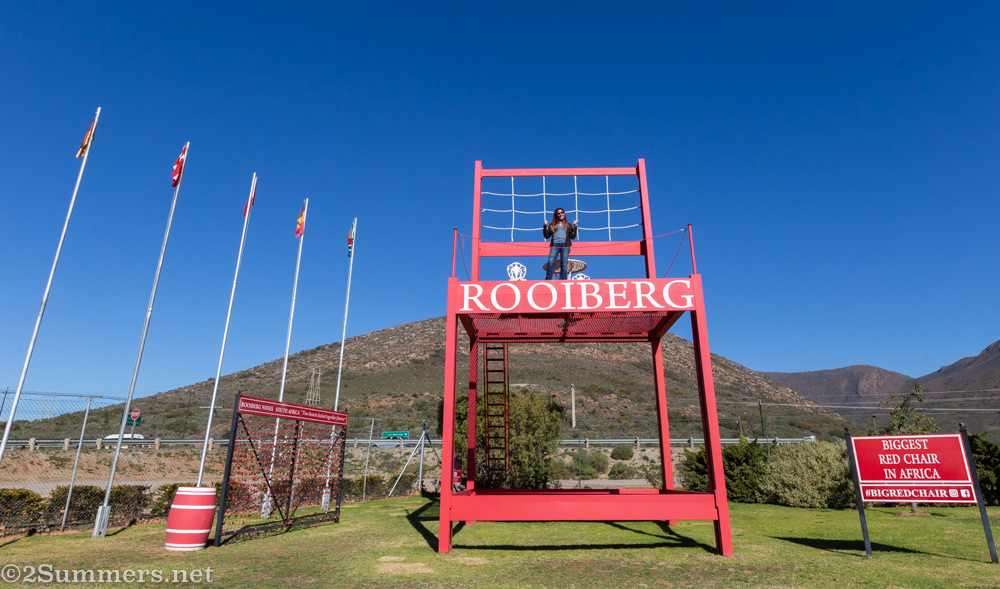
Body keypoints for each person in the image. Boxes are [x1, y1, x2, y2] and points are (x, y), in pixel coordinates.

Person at [542, 207, 578, 280]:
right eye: (559, 213)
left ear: (564, 213)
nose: (561, 214)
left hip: (565, 245)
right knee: (551, 262)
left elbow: (572, 236)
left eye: (562, 212)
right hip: (555, 245)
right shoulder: (552, 225)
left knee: (564, 263)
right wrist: (545, 226)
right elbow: (546, 235)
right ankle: (548, 280)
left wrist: (575, 226)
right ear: (556, 215)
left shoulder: (568, 225)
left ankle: (563, 280)